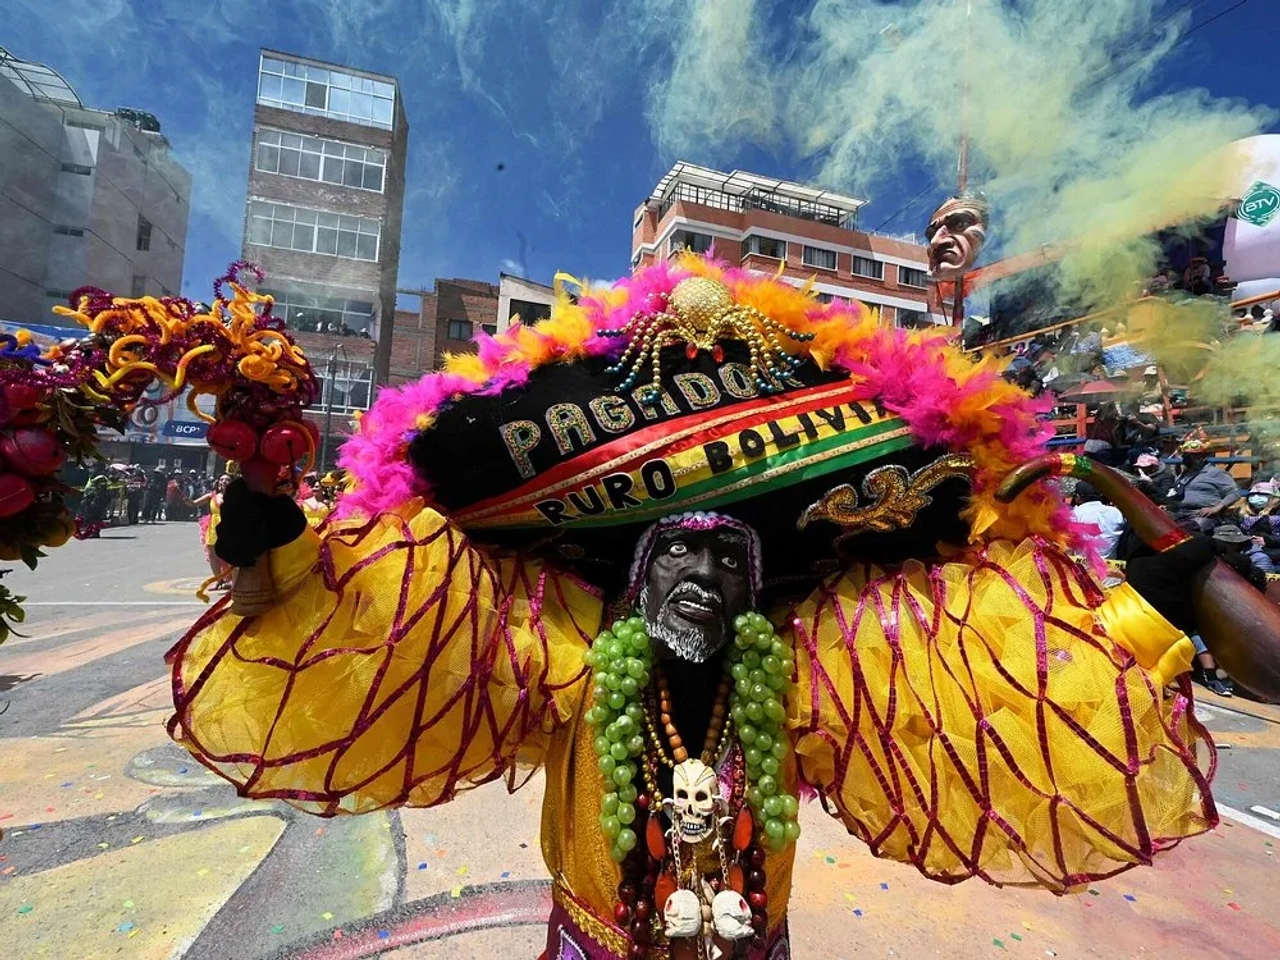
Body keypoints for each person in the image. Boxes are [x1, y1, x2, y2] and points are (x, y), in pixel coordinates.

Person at [166, 262, 1280, 959]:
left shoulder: (807, 675)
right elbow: (340, 622)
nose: (697, 579)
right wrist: (264, 523)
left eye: (723, 565)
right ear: (629, 585)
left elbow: (1016, 690)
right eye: (672, 564)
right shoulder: (567, 655)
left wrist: (1152, 590)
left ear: (762, 594)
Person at [1167, 437, 1240, 531]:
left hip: (1202, 516)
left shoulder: (1216, 473)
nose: (1190, 459)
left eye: (1196, 456)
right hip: (1180, 513)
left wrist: (1216, 508)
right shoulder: (1183, 475)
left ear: (1203, 457)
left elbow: (1234, 493)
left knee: (1185, 530)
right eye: (1187, 456)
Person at [192, 476, 232, 589]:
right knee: (212, 555)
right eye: (222, 479)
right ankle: (218, 580)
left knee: (231, 555)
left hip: (229, 526)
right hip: (213, 527)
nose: (224, 481)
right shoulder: (212, 495)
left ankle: (232, 580)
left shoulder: (236, 495)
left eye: (227, 480)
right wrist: (184, 498)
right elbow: (193, 504)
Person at [1070, 481, 1125, 559]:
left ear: (1078, 497)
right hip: (1111, 567)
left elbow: (1068, 544)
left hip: (1083, 566)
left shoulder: (1075, 514)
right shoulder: (1116, 513)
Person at [1235, 481, 1280, 574]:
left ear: (1274, 498)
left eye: (1262, 494)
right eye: (1253, 494)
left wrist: (1267, 541)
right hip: (1248, 549)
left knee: (1261, 560)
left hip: (1274, 551)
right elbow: (1230, 526)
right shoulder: (1240, 512)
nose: (1256, 497)